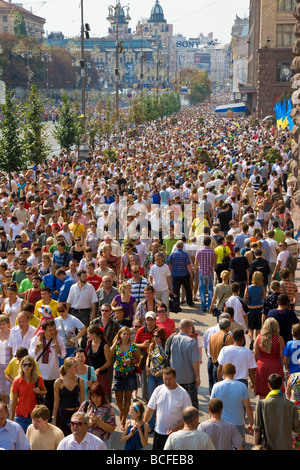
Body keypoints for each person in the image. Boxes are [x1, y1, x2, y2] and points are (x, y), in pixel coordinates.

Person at [144, 366, 192, 450]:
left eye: (170, 379)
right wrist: (143, 424)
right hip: (159, 433)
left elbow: (188, 417)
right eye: (165, 379)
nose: (167, 382)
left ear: (175, 377)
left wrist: (175, 428)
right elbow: (150, 409)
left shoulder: (183, 394)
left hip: (176, 435)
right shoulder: (158, 390)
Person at [29, 319, 66, 417]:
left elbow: (62, 355)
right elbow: (31, 356)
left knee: (51, 399)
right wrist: (37, 348)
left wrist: (57, 346)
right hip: (39, 375)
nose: (53, 332)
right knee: (38, 399)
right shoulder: (35, 340)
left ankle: (49, 419)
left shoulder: (59, 339)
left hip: (53, 374)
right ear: (44, 330)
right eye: (50, 330)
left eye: (54, 329)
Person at [210, 362, 253, 446]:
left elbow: (211, 406)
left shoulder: (216, 386)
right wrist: (251, 423)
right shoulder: (242, 386)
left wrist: (211, 421)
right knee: (239, 446)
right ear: (235, 372)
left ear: (223, 372)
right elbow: (248, 407)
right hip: (238, 422)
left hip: (221, 422)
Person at [253, 373, 300, 450]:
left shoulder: (261, 404)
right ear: (282, 385)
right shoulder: (291, 406)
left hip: (267, 447)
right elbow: (297, 429)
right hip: (286, 446)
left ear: (268, 385)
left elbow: (257, 429)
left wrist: (255, 446)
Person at [110, 326, 140, 430]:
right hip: (118, 374)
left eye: (127, 334)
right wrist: (115, 343)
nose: (126, 336)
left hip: (130, 374)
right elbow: (109, 353)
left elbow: (138, 359)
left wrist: (131, 361)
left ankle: (123, 420)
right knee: (118, 400)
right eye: (124, 334)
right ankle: (123, 414)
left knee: (127, 399)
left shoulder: (133, 346)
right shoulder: (117, 346)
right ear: (120, 335)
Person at [10, 355, 47, 433]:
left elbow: (45, 391)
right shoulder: (17, 381)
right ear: (21, 366)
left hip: (34, 415)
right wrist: (11, 418)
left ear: (32, 366)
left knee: (33, 441)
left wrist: (39, 391)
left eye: (29, 365)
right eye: (25, 365)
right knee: (20, 441)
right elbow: (14, 401)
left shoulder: (38, 379)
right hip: (20, 415)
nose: (27, 367)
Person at [217, 328, 257, 393]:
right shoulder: (248, 352)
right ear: (243, 338)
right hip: (242, 383)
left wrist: (219, 381)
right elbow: (251, 372)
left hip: (226, 381)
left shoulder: (224, 350)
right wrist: (254, 385)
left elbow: (219, 368)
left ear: (232, 338)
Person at [253, 317, 285, 399]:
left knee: (263, 392)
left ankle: (262, 409)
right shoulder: (279, 339)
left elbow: (256, 354)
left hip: (262, 365)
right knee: (276, 391)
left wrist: (252, 368)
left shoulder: (259, 337)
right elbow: (282, 355)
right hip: (275, 365)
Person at [53, 357, 85, 436]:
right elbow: (56, 402)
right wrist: (54, 419)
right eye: (75, 366)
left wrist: (83, 416)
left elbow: (82, 401)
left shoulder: (80, 381)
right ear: (68, 368)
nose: (77, 368)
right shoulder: (58, 382)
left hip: (76, 414)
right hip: (62, 415)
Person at [66, 269, 98, 347]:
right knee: (73, 332)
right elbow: (69, 302)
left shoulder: (90, 287)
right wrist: (66, 314)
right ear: (78, 277)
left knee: (86, 333)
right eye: (83, 276)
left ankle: (84, 350)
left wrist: (93, 314)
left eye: (86, 276)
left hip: (85, 312)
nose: (85, 278)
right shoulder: (73, 287)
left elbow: (94, 302)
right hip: (74, 312)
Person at [86, 324, 112, 399]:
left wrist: (99, 369)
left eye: (88, 334)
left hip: (101, 376)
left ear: (94, 334)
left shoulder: (104, 346)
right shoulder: (89, 343)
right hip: (90, 375)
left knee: (102, 397)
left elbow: (108, 362)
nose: (87, 336)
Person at [168, 240, 194, 308]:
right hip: (185, 274)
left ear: (176, 246)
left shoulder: (172, 254)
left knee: (176, 290)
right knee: (188, 289)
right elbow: (188, 265)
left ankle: (176, 304)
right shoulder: (185, 255)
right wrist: (191, 274)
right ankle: (190, 302)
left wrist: (170, 272)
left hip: (175, 275)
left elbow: (169, 264)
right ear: (182, 246)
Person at [244, 271, 266, 350]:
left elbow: (244, 299)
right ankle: (256, 344)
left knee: (250, 328)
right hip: (259, 309)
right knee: (257, 329)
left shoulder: (248, 288)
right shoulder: (262, 288)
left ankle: (251, 340)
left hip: (250, 309)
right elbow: (264, 299)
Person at [194, 236, 216, 312]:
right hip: (210, 272)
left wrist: (195, 270)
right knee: (210, 288)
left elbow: (196, 262)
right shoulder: (212, 251)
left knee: (202, 289)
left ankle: (203, 306)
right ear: (210, 243)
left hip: (202, 271)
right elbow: (214, 262)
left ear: (203, 243)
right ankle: (210, 304)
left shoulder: (199, 251)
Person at [209, 318, 234, 386]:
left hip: (214, 365)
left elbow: (210, 351)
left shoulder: (212, 336)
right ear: (228, 327)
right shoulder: (228, 337)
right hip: (224, 368)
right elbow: (231, 353)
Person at [0, 314, 11, 404]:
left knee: (9, 384)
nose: (1, 326)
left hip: (9, 362)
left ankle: (10, 403)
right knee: (1, 385)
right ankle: (5, 404)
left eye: (3, 324)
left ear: (8, 324)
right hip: (0, 362)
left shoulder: (12, 333)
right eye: (0, 324)